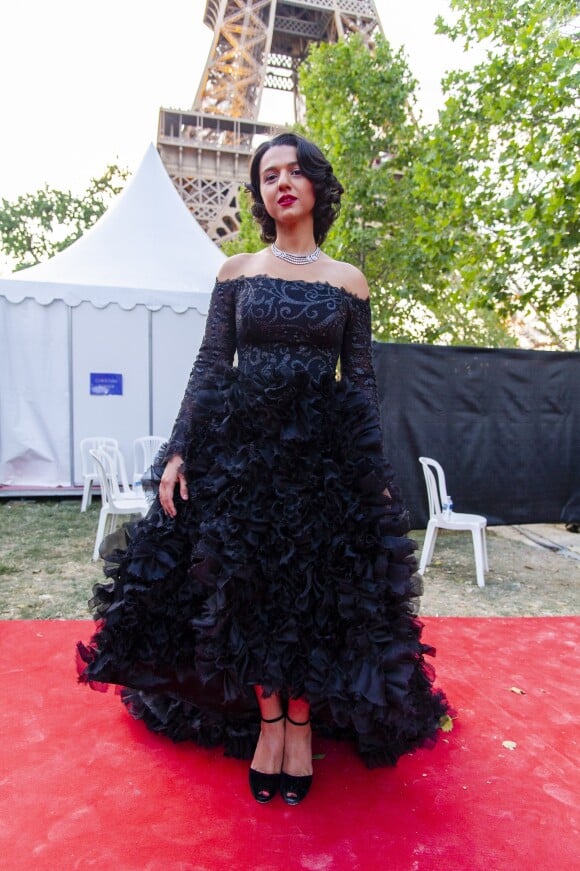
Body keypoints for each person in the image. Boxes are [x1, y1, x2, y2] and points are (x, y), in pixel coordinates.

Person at [77, 132, 452, 805]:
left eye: (293, 171)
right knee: (246, 589)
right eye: (267, 174)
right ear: (259, 193)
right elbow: (209, 363)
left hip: (322, 460)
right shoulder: (236, 271)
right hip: (240, 452)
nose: (280, 182)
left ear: (315, 184)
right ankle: (268, 721)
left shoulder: (349, 281)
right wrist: (178, 451)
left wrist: (373, 471)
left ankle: (299, 727)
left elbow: (360, 383)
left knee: (310, 595)